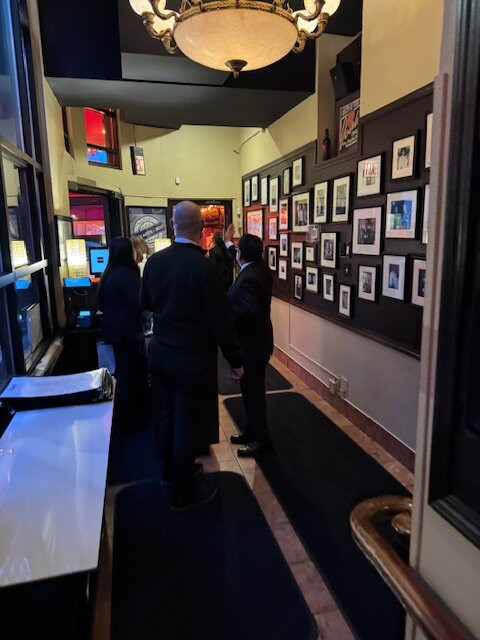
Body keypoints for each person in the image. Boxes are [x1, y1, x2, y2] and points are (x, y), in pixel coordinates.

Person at [141, 201, 243, 511]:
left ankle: (169, 474)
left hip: (160, 354)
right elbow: (220, 322)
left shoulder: (155, 262)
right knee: (185, 422)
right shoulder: (205, 268)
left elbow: (146, 303)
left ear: (173, 226)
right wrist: (235, 359)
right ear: (201, 229)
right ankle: (182, 493)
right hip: (191, 358)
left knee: (165, 415)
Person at [226, 233, 274, 457]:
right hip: (257, 343)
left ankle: (261, 439)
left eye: (237, 249)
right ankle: (251, 431)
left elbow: (249, 312)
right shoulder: (259, 268)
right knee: (249, 391)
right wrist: (229, 244)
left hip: (252, 346)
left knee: (254, 394)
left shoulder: (250, 278)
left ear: (241, 254)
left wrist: (224, 310)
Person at [98, 237, 149, 435]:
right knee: (130, 377)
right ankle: (130, 422)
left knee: (121, 376)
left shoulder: (109, 273)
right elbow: (141, 303)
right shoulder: (127, 275)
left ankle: (122, 420)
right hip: (128, 334)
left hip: (113, 333)